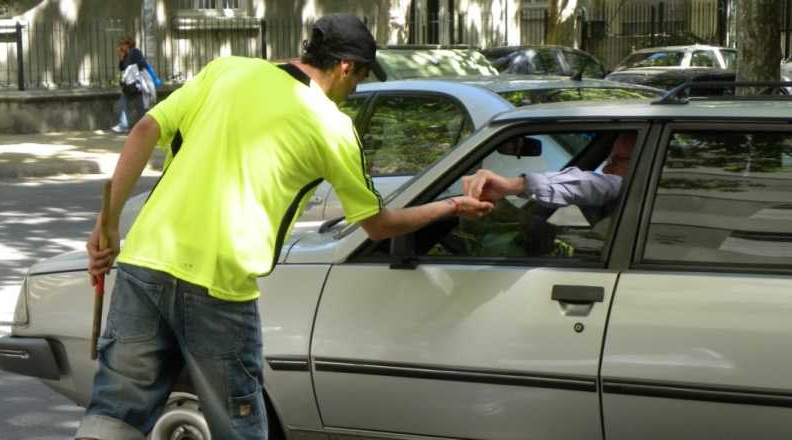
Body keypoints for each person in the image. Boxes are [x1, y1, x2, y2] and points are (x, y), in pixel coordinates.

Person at [78, 14, 492, 440]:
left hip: (145, 261)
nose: (357, 90)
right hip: (218, 285)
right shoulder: (332, 128)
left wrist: (106, 226)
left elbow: (145, 128)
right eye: (360, 77)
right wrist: (451, 206)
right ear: (346, 66)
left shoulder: (227, 70)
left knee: (115, 415)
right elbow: (378, 225)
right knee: (239, 427)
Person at [463, 132, 636, 210]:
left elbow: (593, 184)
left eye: (616, 160)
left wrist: (513, 185)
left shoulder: (629, 187)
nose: (606, 168)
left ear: (640, 161)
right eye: (607, 160)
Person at [111, 36, 149, 134]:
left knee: (140, 107)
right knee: (125, 104)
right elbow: (122, 67)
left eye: (122, 44)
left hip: (136, 84)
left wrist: (132, 67)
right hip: (129, 84)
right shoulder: (126, 54)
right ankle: (124, 125)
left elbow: (142, 63)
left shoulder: (135, 52)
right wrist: (122, 57)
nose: (120, 47)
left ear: (128, 44)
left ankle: (142, 127)